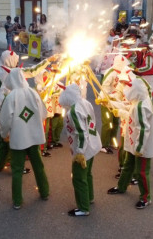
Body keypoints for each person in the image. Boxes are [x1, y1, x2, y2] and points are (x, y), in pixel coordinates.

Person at [0, 68, 50, 210]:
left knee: (17, 169)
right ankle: (44, 192)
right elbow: (44, 113)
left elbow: (5, 120)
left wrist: (4, 134)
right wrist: (35, 124)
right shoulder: (33, 93)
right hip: (34, 137)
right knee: (38, 165)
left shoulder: (11, 96)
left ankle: (17, 201)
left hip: (18, 138)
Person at [107, 78, 153, 209]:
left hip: (141, 145)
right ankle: (122, 186)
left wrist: (139, 147)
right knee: (127, 165)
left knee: (141, 172)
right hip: (133, 141)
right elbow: (130, 110)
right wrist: (113, 104)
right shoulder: (141, 100)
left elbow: (143, 128)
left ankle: (146, 197)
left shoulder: (142, 106)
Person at [59, 83, 102, 216]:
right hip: (93, 143)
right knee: (87, 174)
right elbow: (92, 122)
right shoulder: (85, 103)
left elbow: (82, 133)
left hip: (82, 148)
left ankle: (83, 208)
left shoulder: (73, 111)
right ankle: (89, 197)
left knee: (78, 177)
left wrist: (80, 152)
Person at [97, 55, 132, 154]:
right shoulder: (110, 73)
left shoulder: (122, 73)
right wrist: (107, 97)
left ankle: (112, 142)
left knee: (116, 122)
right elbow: (105, 86)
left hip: (117, 101)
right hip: (106, 100)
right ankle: (104, 145)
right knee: (108, 123)